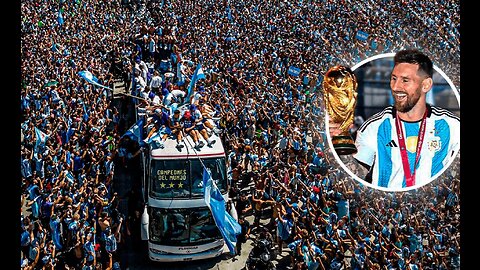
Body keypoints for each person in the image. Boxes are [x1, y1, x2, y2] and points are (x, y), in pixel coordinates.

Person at [332, 49, 460, 189]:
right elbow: (356, 173)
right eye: (394, 78)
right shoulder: (375, 126)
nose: (396, 86)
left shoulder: (451, 126)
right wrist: (338, 142)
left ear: (426, 85)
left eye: (405, 80)